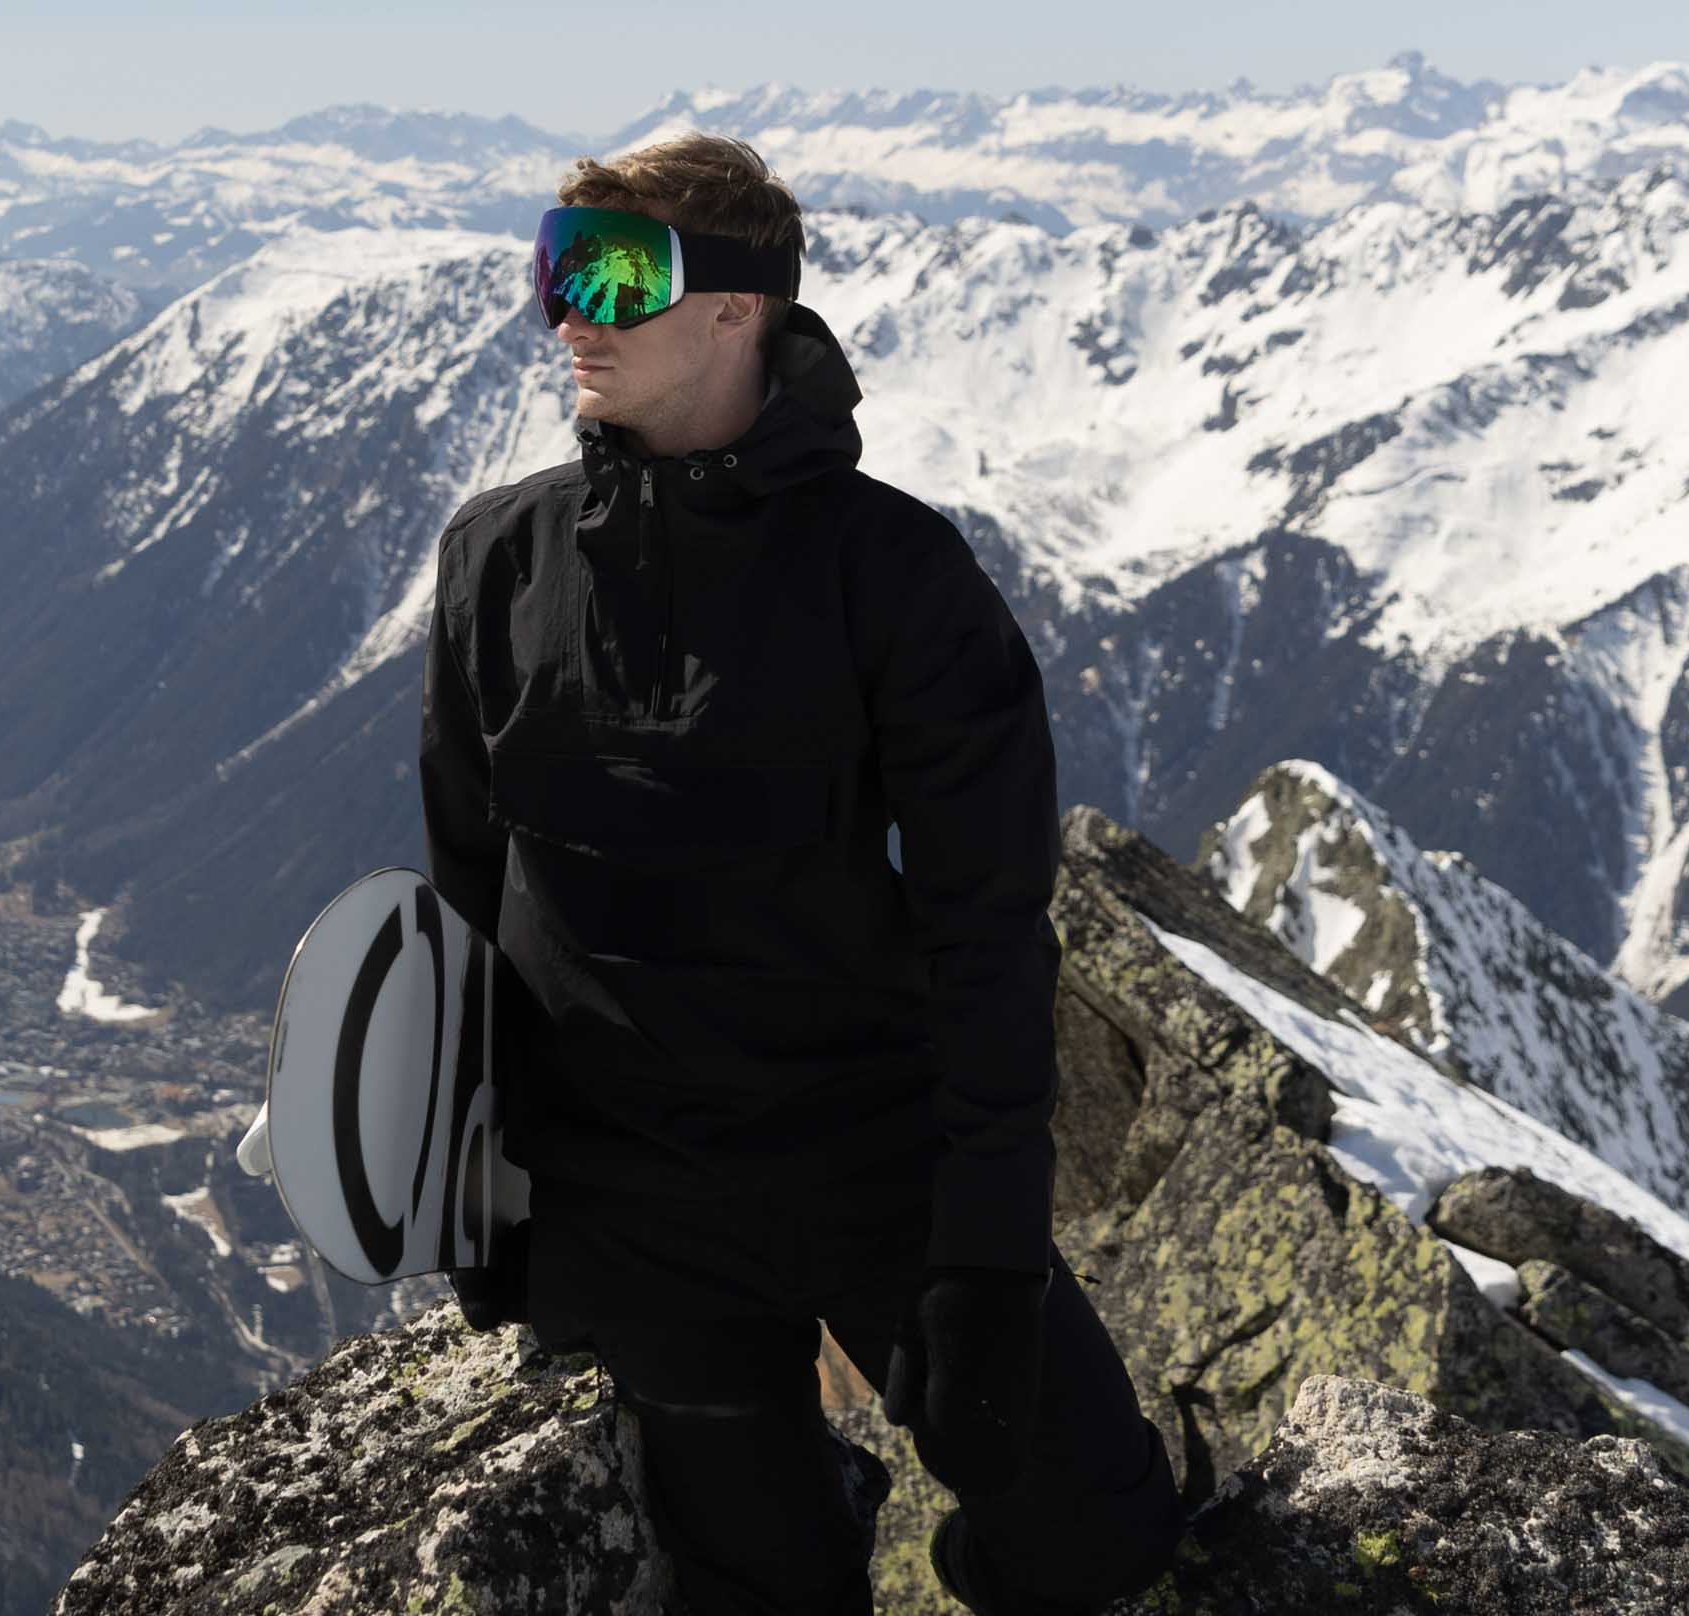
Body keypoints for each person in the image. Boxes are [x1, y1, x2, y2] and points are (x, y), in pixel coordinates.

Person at [417, 134, 1184, 1615]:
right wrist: (475, 1193)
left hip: (863, 1155)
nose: (569, 310)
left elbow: (988, 940)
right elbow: (460, 899)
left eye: (613, 272)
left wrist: (988, 1267)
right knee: (756, 1587)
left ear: (736, 311)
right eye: (552, 264)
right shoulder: (498, 566)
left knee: (1097, 1528)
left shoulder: (895, 580)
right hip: (624, 1194)